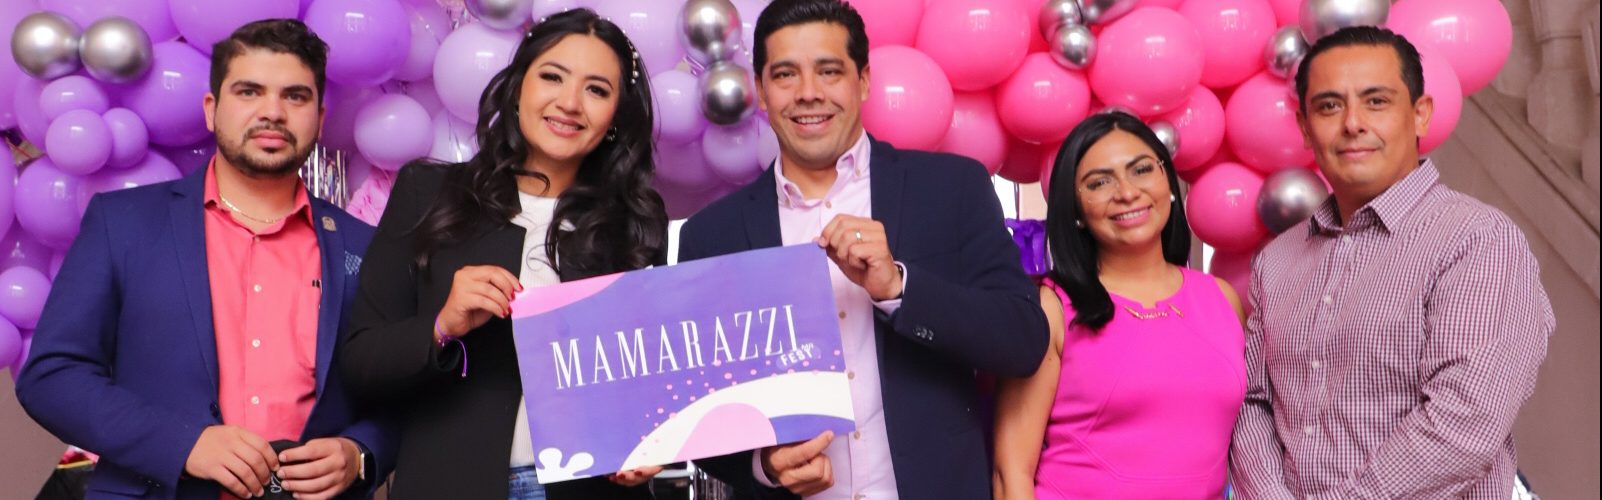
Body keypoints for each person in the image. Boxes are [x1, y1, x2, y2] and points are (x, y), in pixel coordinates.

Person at [677, 1, 1050, 498]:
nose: (808, 93)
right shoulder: (710, 237)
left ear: (864, 81)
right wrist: (763, 464)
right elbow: (695, 414)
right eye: (785, 74)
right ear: (761, 92)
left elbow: (1022, 340)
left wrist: (899, 288)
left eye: (829, 71)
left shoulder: (951, 189)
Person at [16, 19, 394, 499]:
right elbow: (52, 374)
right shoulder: (124, 222)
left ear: (320, 119)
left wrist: (360, 453)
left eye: (295, 96)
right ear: (212, 110)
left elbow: (395, 393)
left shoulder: (363, 245)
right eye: (249, 92)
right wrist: (182, 444)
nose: (272, 112)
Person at [337, 9, 666, 499]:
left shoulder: (636, 222)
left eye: (597, 90)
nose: (569, 103)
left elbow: (647, 377)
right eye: (552, 77)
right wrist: (442, 325)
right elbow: (361, 363)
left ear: (617, 115)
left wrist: (646, 441)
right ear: (517, 89)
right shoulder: (428, 194)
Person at [1229, 26, 1554, 498]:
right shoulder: (1278, 261)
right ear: (1304, 127)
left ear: (1420, 115)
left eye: (1376, 102)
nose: (1352, 123)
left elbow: (1466, 422)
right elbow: (1253, 403)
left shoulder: (1477, 240)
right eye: (1329, 106)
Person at [991, 112, 1246, 499]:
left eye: (1141, 170)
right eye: (1099, 182)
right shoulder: (1051, 307)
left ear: (1168, 181)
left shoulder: (1221, 299)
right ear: (1075, 209)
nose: (1127, 192)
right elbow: (1011, 472)